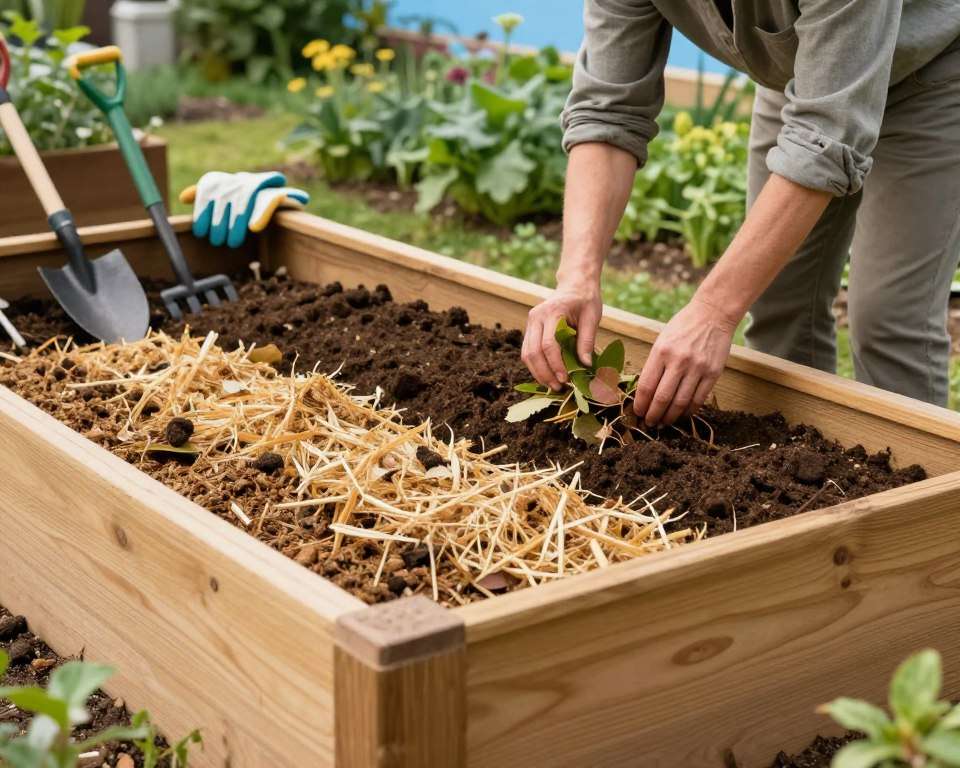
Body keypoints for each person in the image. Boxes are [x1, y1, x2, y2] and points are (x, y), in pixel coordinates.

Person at [521, 1, 960, 428]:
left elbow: (826, 135)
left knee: (889, 318)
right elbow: (607, 108)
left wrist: (712, 312)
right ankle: (800, 486)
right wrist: (576, 278)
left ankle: (919, 497)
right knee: (778, 302)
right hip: (799, 74)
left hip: (931, 72)